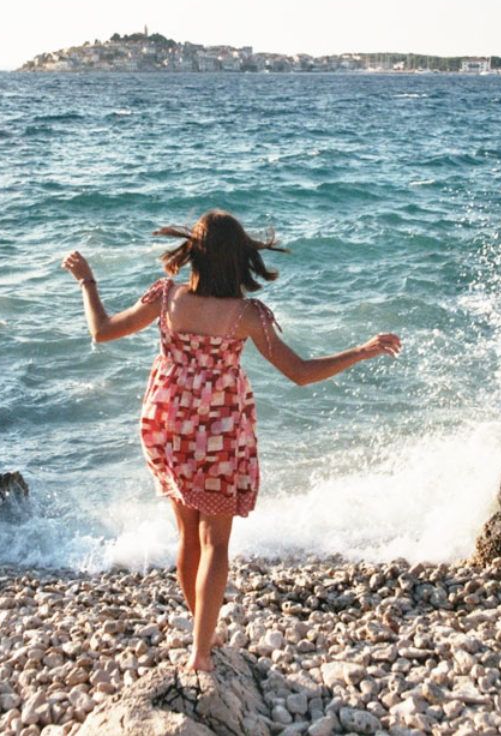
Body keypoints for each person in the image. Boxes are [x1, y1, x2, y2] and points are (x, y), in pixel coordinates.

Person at [62, 210, 401, 672]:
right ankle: (201, 652)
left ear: (194, 254)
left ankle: (203, 632)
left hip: (168, 427)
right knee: (216, 544)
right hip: (218, 432)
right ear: (239, 260)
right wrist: (361, 350)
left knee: (187, 535)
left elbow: (101, 331)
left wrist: (88, 282)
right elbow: (300, 373)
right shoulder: (246, 316)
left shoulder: (166, 298)